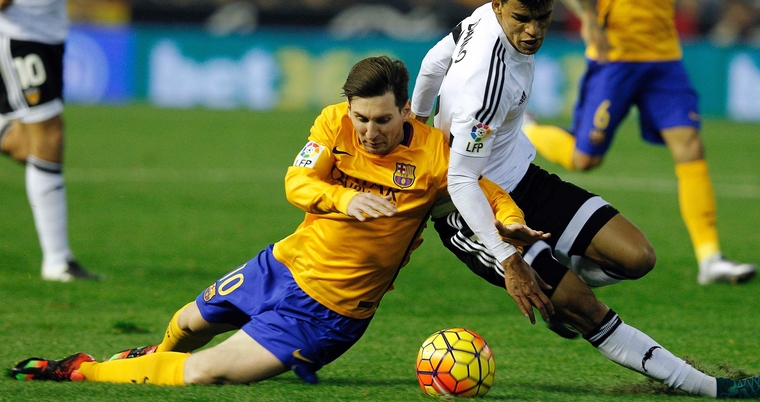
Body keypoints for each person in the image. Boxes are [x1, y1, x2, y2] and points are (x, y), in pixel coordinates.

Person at [9, 56, 548, 386]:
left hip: (329, 313)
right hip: (283, 265)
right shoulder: (333, 124)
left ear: (407, 110)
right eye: (361, 118)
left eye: (383, 120)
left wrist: (512, 220)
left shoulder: (435, 155)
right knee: (185, 326)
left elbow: (487, 191)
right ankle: (146, 360)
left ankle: (82, 370)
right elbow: (296, 182)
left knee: (207, 371)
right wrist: (342, 199)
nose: (369, 132)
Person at [410, 0, 760, 399]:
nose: (532, 31)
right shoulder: (485, 87)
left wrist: (417, 122)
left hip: (522, 181)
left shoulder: (480, 19)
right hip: (474, 212)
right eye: (521, 19)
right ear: (498, 6)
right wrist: (509, 260)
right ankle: (715, 388)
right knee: (588, 309)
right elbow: (460, 181)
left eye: (543, 18)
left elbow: (435, 61)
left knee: (637, 258)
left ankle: (556, 292)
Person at [520, 0, 757, 285]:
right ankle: (528, 129)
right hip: (614, 55)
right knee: (584, 158)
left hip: (664, 58)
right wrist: (587, 16)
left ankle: (710, 258)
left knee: (689, 148)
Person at [0, 0, 120, 281]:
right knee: (50, 137)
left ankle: (58, 260)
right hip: (16, 33)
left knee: (29, 148)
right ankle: (57, 260)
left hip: (50, 33)